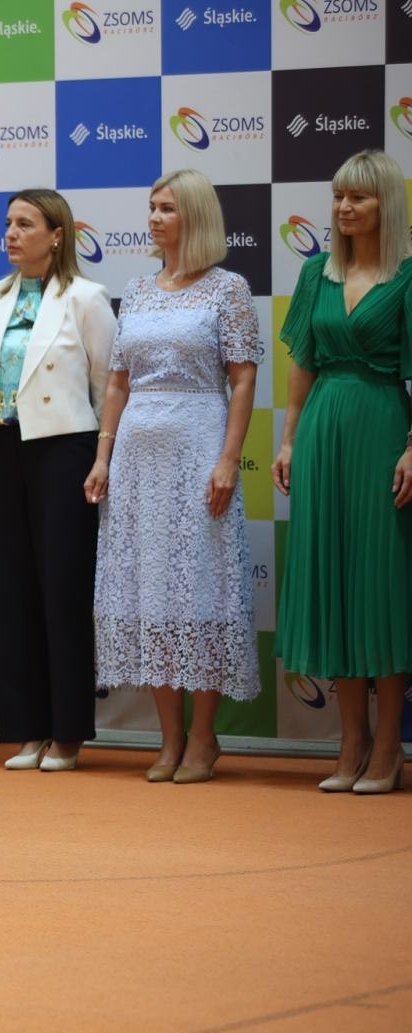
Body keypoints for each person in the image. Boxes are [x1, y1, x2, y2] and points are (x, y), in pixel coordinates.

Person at [85, 170, 262, 784]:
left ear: (196, 216)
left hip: (199, 443)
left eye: (167, 208)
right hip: (137, 453)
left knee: (201, 589)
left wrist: (228, 459)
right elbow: (117, 383)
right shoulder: (137, 290)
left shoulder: (228, 289)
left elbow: (243, 378)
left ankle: (204, 738)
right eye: (152, 207)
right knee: (150, 591)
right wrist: (103, 455)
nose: (154, 218)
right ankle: (169, 740)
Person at [273, 149, 412, 794]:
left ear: (387, 203)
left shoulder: (407, 275)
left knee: (379, 584)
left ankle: (388, 746)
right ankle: (349, 741)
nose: (344, 207)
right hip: (323, 428)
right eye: (338, 196)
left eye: (359, 196)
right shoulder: (315, 273)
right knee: (332, 580)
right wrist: (288, 439)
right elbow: (303, 360)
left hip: (382, 425)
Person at [0, 189, 117, 772]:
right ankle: (27, 729)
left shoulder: (87, 298)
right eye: (8, 223)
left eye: (25, 224)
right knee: (11, 589)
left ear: (57, 235)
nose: (11, 233)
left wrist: (101, 456)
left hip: (64, 449)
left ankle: (68, 733)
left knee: (63, 589)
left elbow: (108, 385)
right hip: (0, 447)